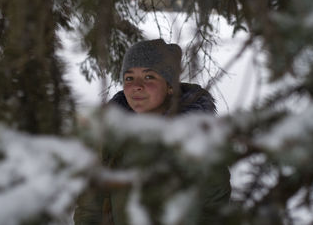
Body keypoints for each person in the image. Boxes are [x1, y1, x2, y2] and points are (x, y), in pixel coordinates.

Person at [74, 39, 231, 225]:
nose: (136, 86)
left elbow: (213, 210)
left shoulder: (197, 140)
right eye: (129, 78)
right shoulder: (111, 138)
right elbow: (90, 209)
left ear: (170, 86)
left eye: (149, 77)